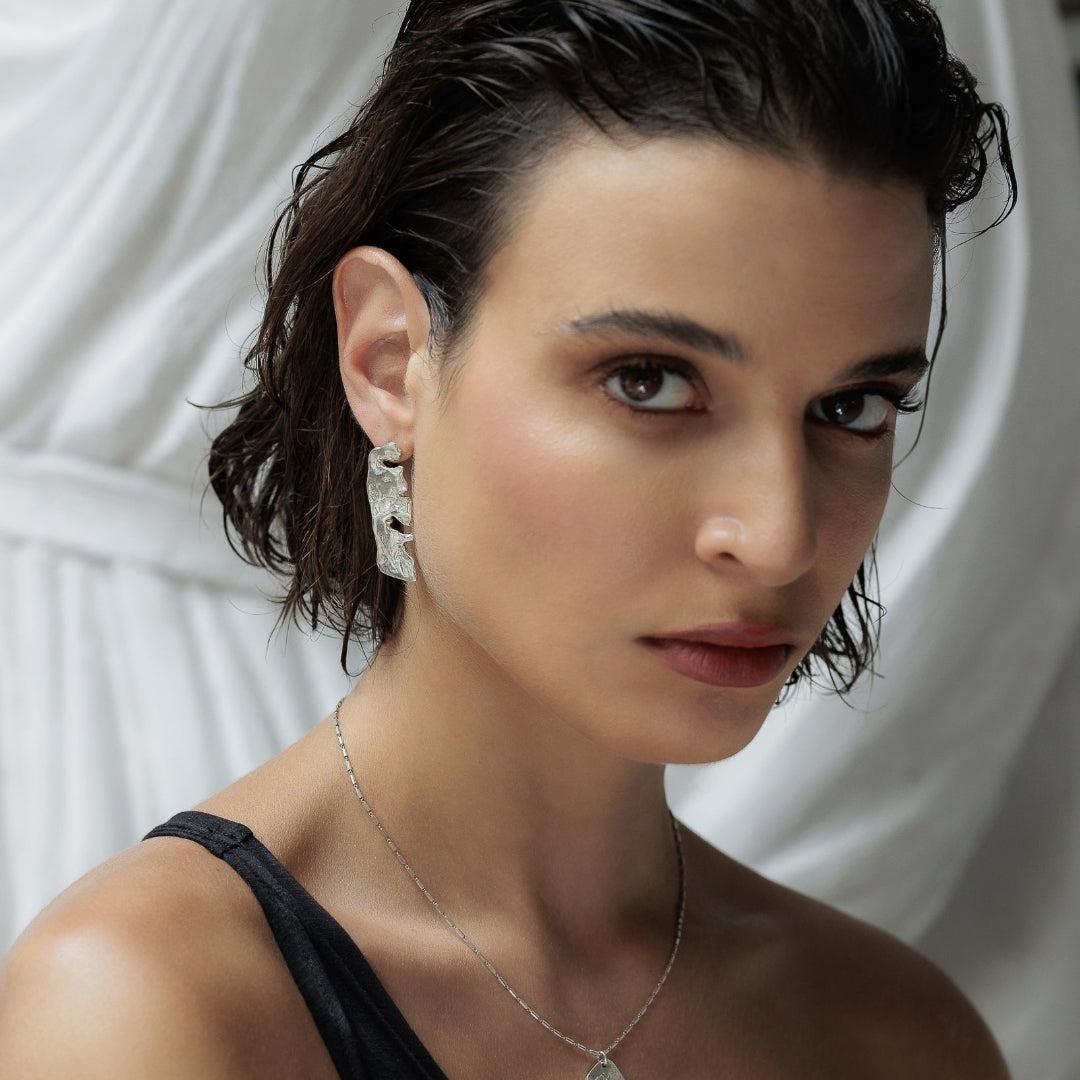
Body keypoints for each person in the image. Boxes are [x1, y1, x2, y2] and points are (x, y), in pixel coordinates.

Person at [0, 0, 1018, 1076]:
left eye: (853, 407)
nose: (777, 536)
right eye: (651, 382)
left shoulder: (900, 1036)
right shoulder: (144, 1008)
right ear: (391, 362)